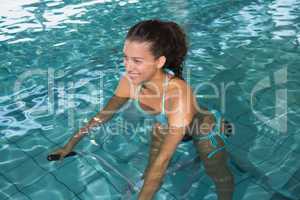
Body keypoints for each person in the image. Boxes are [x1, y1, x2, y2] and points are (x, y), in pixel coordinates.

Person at [51, 19, 234, 200]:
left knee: (218, 174)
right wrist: (69, 145)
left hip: (203, 130)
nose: (128, 67)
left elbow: (162, 163)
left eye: (137, 61)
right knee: (151, 167)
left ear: (159, 62)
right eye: (125, 58)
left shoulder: (178, 96)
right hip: (167, 125)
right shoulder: (130, 81)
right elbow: (102, 117)